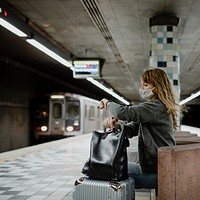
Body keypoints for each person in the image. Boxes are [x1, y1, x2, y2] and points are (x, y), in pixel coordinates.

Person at [100, 68, 180, 190]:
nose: (142, 88)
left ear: (157, 86)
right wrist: (116, 126)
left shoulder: (156, 107)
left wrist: (107, 103)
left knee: (101, 169)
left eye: (146, 84)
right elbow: (132, 129)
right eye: (142, 84)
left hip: (156, 172)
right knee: (103, 167)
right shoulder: (158, 107)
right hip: (157, 167)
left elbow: (123, 112)